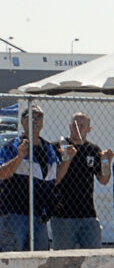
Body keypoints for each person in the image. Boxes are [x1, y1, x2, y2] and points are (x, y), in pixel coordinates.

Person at [0, 105, 62, 252]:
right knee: (13, 257)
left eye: (39, 117)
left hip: (39, 215)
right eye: (31, 116)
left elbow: (55, 178)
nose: (36, 120)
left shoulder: (49, 148)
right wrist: (19, 157)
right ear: (22, 121)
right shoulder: (12, 146)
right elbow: (2, 173)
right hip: (15, 214)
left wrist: (67, 160)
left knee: (40, 258)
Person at [50, 112, 114, 250]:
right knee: (63, 258)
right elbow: (54, 178)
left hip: (88, 213)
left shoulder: (93, 150)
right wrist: (67, 159)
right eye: (74, 125)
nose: (77, 129)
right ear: (69, 126)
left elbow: (103, 180)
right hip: (63, 215)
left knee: (93, 255)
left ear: (89, 129)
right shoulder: (58, 147)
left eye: (81, 126)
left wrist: (107, 162)